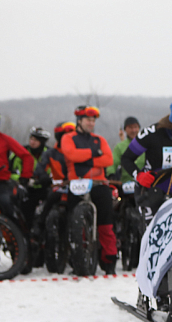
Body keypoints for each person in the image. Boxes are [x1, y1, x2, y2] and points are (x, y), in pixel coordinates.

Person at [60, 105, 118, 274]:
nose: (91, 123)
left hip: (99, 183)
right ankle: (76, 258)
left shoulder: (99, 139)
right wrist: (94, 153)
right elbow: (71, 155)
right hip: (76, 183)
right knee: (73, 221)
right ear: (79, 121)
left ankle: (109, 259)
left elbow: (108, 160)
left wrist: (85, 159)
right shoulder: (68, 137)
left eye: (93, 120)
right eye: (88, 120)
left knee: (106, 224)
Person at [0, 106, 33, 220]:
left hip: (0, 182)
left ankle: (16, 233)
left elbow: (27, 156)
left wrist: (25, 176)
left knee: (6, 203)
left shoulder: (4, 139)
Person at [10, 127, 52, 228]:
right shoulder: (20, 152)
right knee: (25, 209)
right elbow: (8, 171)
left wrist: (45, 179)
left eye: (36, 140)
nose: (32, 142)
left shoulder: (50, 153)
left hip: (45, 187)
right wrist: (21, 179)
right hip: (25, 187)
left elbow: (55, 171)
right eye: (31, 139)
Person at [107, 116, 145, 183]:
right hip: (126, 182)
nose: (133, 130)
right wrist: (111, 174)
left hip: (144, 181)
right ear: (125, 129)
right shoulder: (120, 146)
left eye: (135, 127)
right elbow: (113, 161)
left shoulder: (145, 144)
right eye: (130, 128)